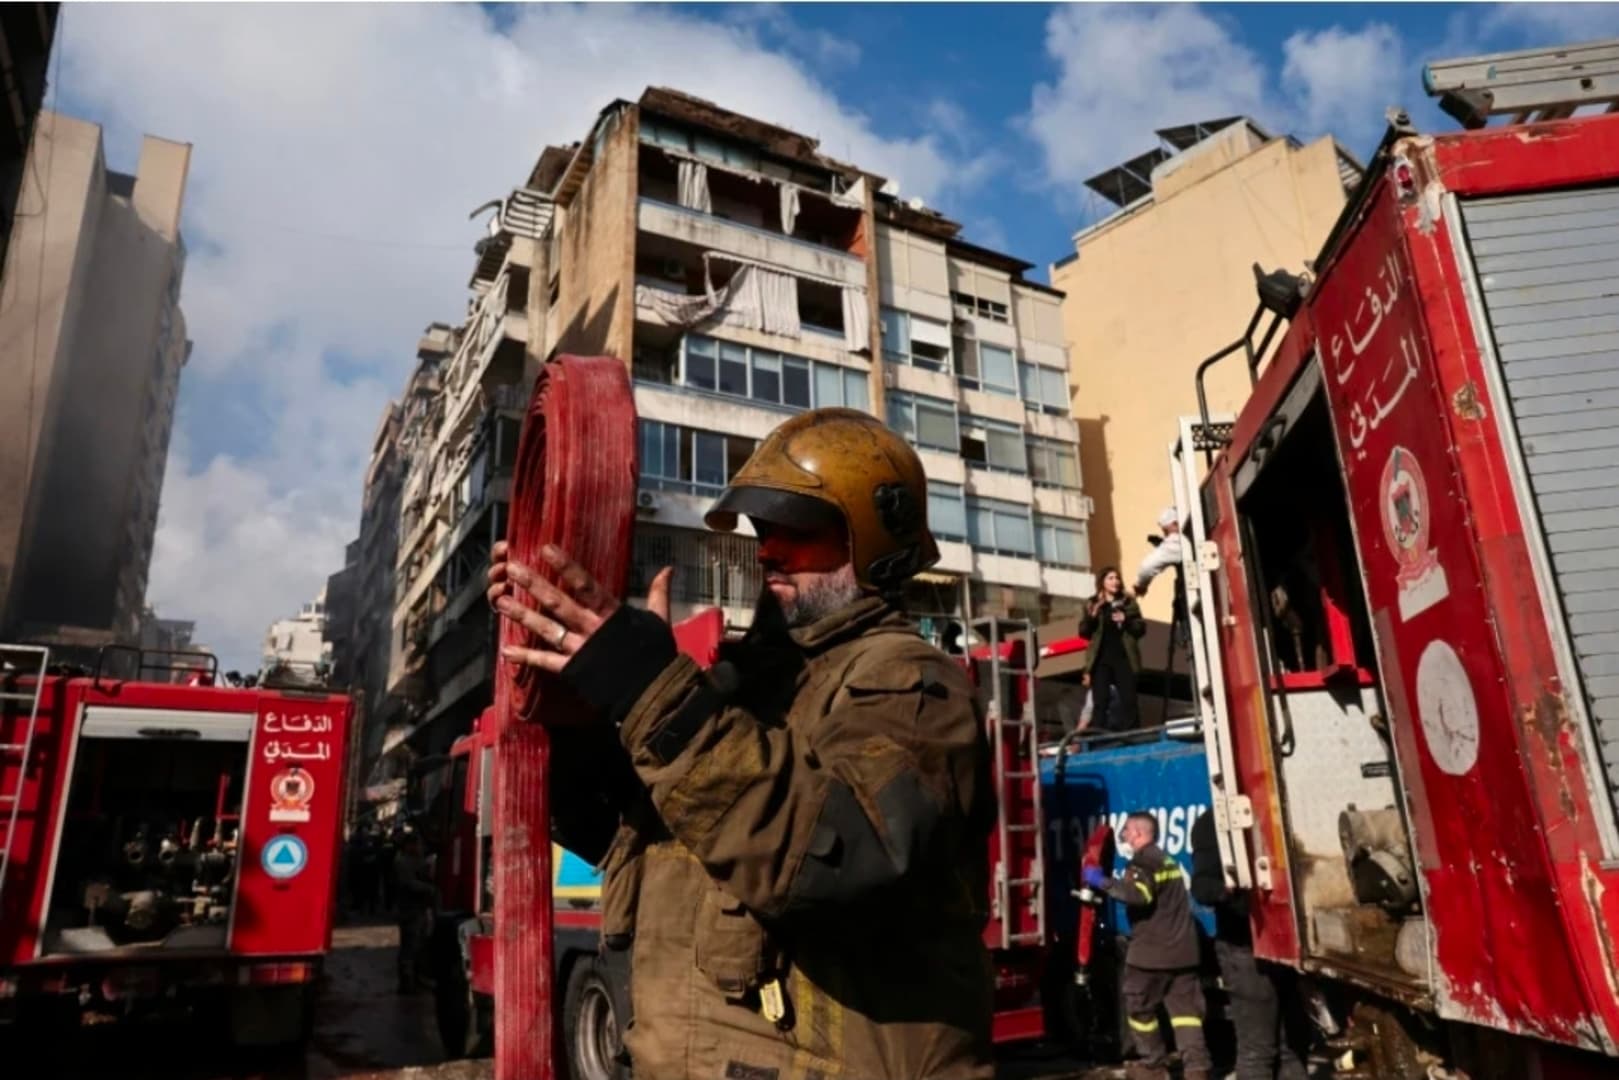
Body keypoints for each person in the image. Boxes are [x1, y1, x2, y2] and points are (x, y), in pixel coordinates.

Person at [489, 407, 997, 1080]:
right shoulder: (740, 688)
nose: (767, 552)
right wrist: (584, 697)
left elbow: (841, 859)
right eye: (764, 532)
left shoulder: (906, 680)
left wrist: (653, 693)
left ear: (874, 542)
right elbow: (625, 837)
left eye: (801, 534)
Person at [1082, 811, 1210, 1080]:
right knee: (1186, 1015)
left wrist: (1101, 881)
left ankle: (1153, 1065)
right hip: (1183, 952)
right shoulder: (1166, 860)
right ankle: (1197, 1070)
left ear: (1139, 834)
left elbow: (1137, 896)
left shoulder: (1142, 862)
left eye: (1127, 830)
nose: (1124, 834)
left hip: (1151, 956)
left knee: (1139, 1008)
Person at [1190, 810, 1310, 1079]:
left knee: (1293, 1044)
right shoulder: (1215, 823)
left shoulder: (1276, 809)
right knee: (1259, 1051)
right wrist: (1229, 890)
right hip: (1245, 947)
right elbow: (1202, 886)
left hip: (1288, 948)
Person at [1079, 567, 1146, 731]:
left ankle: (1133, 735)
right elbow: (1084, 633)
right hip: (1100, 660)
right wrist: (1092, 616)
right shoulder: (1092, 603)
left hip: (1124, 657)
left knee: (1129, 699)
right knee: (1100, 701)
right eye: (1110, 578)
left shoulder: (1128, 602)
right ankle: (1097, 738)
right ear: (1102, 582)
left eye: (1117, 578)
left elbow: (1140, 629)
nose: (1115, 581)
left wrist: (1126, 619)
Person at [393, 832, 436, 992]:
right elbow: (409, 883)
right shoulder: (402, 861)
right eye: (417, 844)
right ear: (408, 845)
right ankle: (406, 983)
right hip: (409, 910)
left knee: (419, 946)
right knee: (409, 947)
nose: (420, 847)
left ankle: (416, 979)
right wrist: (429, 889)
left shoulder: (416, 859)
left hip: (419, 908)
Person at [1135, 506, 1185, 599]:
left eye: (1166, 531)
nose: (1166, 536)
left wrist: (1140, 586)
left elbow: (1147, 567)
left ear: (1176, 524)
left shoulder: (1177, 540)